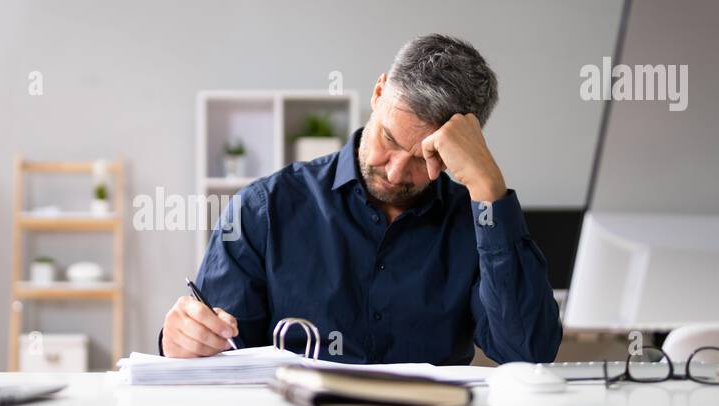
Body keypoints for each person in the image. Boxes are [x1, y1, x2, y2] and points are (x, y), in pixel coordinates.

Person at [161, 34, 561, 364]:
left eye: (426, 157)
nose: (396, 172)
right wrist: (183, 341)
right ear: (378, 91)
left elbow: (527, 353)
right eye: (389, 139)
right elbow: (217, 356)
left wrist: (489, 186)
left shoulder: (475, 224)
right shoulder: (263, 209)